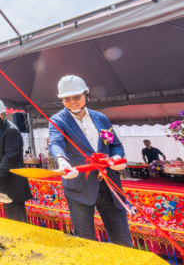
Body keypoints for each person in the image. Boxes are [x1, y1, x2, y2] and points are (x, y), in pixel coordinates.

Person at [48, 75, 131, 247]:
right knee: (84, 241)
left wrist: (116, 158)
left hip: (110, 185)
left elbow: (115, 145)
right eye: (67, 98)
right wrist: (62, 161)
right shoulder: (57, 120)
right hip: (79, 186)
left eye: (76, 97)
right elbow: (56, 143)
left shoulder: (101, 118)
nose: (73, 102)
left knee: (122, 239)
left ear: (87, 94)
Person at [0, 98, 32, 222]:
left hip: (12, 183)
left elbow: (9, 158)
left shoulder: (11, 131)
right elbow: (0, 151)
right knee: (10, 217)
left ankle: (22, 241)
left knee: (16, 218)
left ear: (3, 114)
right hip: (4, 181)